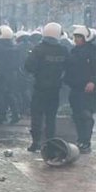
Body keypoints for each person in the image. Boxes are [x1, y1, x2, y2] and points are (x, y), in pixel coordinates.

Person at [24, 22, 69, 152]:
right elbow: (69, 67)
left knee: (37, 115)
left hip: (39, 88)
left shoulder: (38, 49)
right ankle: (50, 142)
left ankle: (36, 142)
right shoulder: (63, 50)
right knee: (51, 117)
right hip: (55, 88)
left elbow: (28, 66)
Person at [65, 26, 95, 153]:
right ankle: (81, 139)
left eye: (79, 37)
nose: (76, 39)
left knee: (86, 115)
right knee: (77, 115)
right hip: (75, 88)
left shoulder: (93, 51)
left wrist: (93, 81)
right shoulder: (74, 51)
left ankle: (86, 141)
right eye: (75, 37)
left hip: (88, 89)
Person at [0, 25, 22, 124]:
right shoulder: (15, 48)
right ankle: (15, 113)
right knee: (10, 94)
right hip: (13, 74)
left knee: (1, 95)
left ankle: (1, 115)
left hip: (2, 74)